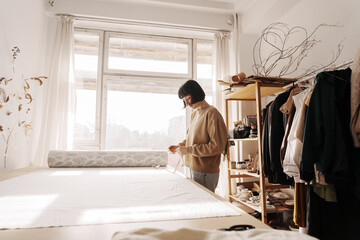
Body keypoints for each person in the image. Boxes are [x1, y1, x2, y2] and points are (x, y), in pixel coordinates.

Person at [168, 80, 228, 192]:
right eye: (185, 101)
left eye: (189, 98)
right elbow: (192, 138)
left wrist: (188, 150)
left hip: (206, 172)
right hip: (193, 167)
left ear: (197, 93)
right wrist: (179, 146)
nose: (188, 104)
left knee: (205, 206)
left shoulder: (212, 113)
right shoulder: (195, 113)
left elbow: (216, 146)